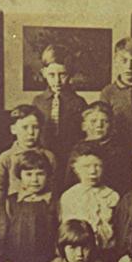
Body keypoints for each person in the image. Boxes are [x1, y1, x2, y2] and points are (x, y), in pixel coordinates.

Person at [32, 44, 87, 188]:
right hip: (44, 155)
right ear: (44, 73)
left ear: (70, 74)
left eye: (62, 75)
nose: (57, 81)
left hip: (70, 155)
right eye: (52, 75)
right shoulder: (38, 101)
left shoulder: (78, 102)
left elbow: (82, 134)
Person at [59, 142, 120, 262]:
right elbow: (67, 232)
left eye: (98, 166)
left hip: (107, 254)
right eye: (86, 166)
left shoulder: (112, 196)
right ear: (75, 168)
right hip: (79, 256)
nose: (92, 171)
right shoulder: (69, 196)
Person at [3, 150, 57, 262]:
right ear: (19, 175)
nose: (34, 180)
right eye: (28, 174)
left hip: (46, 259)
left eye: (40, 174)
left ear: (48, 175)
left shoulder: (54, 201)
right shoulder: (11, 202)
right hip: (17, 259)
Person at [65, 101, 132, 197]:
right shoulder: (77, 150)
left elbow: (124, 184)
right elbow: (69, 182)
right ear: (84, 126)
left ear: (111, 125)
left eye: (104, 121)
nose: (99, 125)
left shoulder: (119, 152)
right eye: (93, 121)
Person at [0, 105, 56, 197]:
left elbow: (53, 188)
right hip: (14, 204)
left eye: (35, 127)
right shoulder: (6, 157)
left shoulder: (49, 156)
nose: (31, 132)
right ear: (13, 129)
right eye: (25, 127)